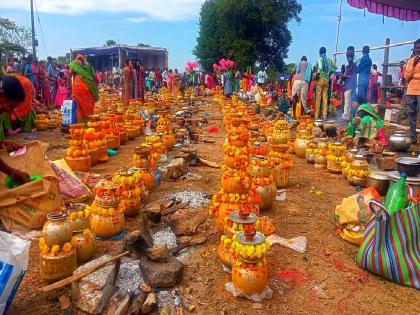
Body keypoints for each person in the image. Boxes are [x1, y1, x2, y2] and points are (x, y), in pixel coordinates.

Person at [68, 54, 99, 123]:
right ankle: (87, 121)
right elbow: (95, 77)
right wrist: (96, 86)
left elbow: (69, 74)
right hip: (87, 88)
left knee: (78, 105)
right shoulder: (89, 65)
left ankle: (79, 122)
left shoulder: (74, 65)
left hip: (76, 88)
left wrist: (68, 85)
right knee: (88, 104)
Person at [403, 39, 420, 145]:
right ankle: (413, 138)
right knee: (411, 115)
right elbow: (406, 76)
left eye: (419, 48)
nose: (418, 50)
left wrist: (414, 76)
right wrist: (413, 65)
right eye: (416, 48)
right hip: (411, 91)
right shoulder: (410, 61)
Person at [315, 47, 337, 119]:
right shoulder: (329, 60)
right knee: (325, 98)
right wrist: (329, 72)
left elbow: (319, 67)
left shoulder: (319, 59)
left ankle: (316, 115)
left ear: (319, 52)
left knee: (318, 98)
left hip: (320, 79)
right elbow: (335, 67)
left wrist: (318, 74)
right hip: (327, 80)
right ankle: (324, 115)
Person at [341, 54, 357, 121]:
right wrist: (343, 75)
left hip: (350, 86)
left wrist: (344, 76)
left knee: (347, 102)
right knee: (348, 102)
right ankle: (347, 116)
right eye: (348, 57)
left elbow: (352, 76)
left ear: (353, 58)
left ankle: (345, 116)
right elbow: (346, 77)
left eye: (350, 57)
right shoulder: (348, 66)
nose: (349, 58)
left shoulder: (353, 66)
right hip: (347, 85)